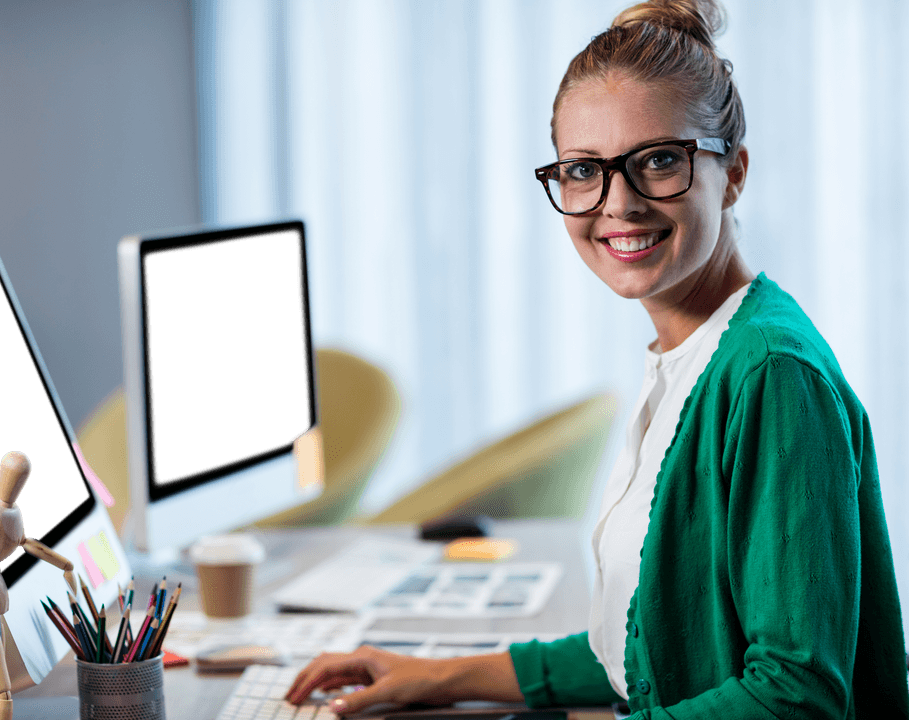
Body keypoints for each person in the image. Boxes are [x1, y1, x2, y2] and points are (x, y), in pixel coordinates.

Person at [284, 0, 909, 717]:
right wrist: (440, 676)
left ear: (733, 173)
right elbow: (644, 648)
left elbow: (798, 698)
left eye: (659, 161)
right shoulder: (694, 355)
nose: (618, 203)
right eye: (584, 170)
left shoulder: (770, 374)